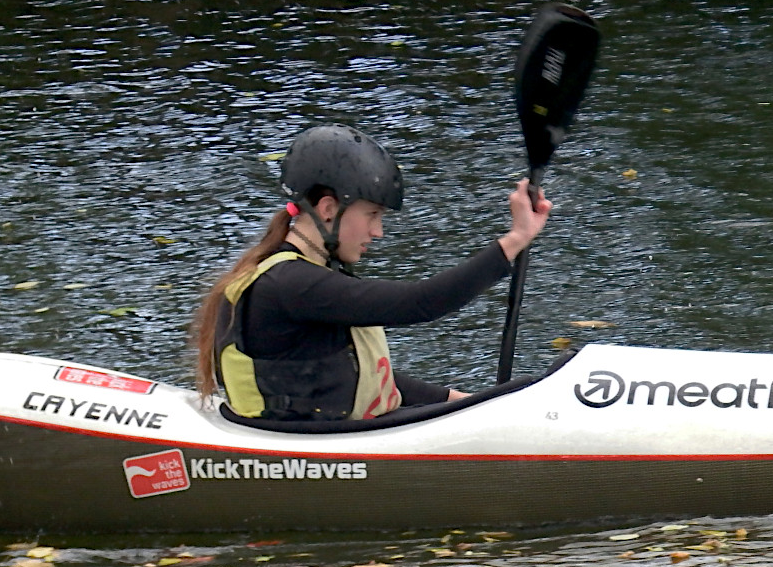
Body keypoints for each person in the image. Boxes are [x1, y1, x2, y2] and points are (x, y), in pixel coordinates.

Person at [194, 123, 551, 422]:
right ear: (328, 209)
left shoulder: (306, 276)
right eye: (372, 215)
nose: (377, 232)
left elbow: (372, 379)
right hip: (306, 449)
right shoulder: (291, 285)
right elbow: (421, 303)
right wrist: (516, 239)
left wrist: (471, 402)